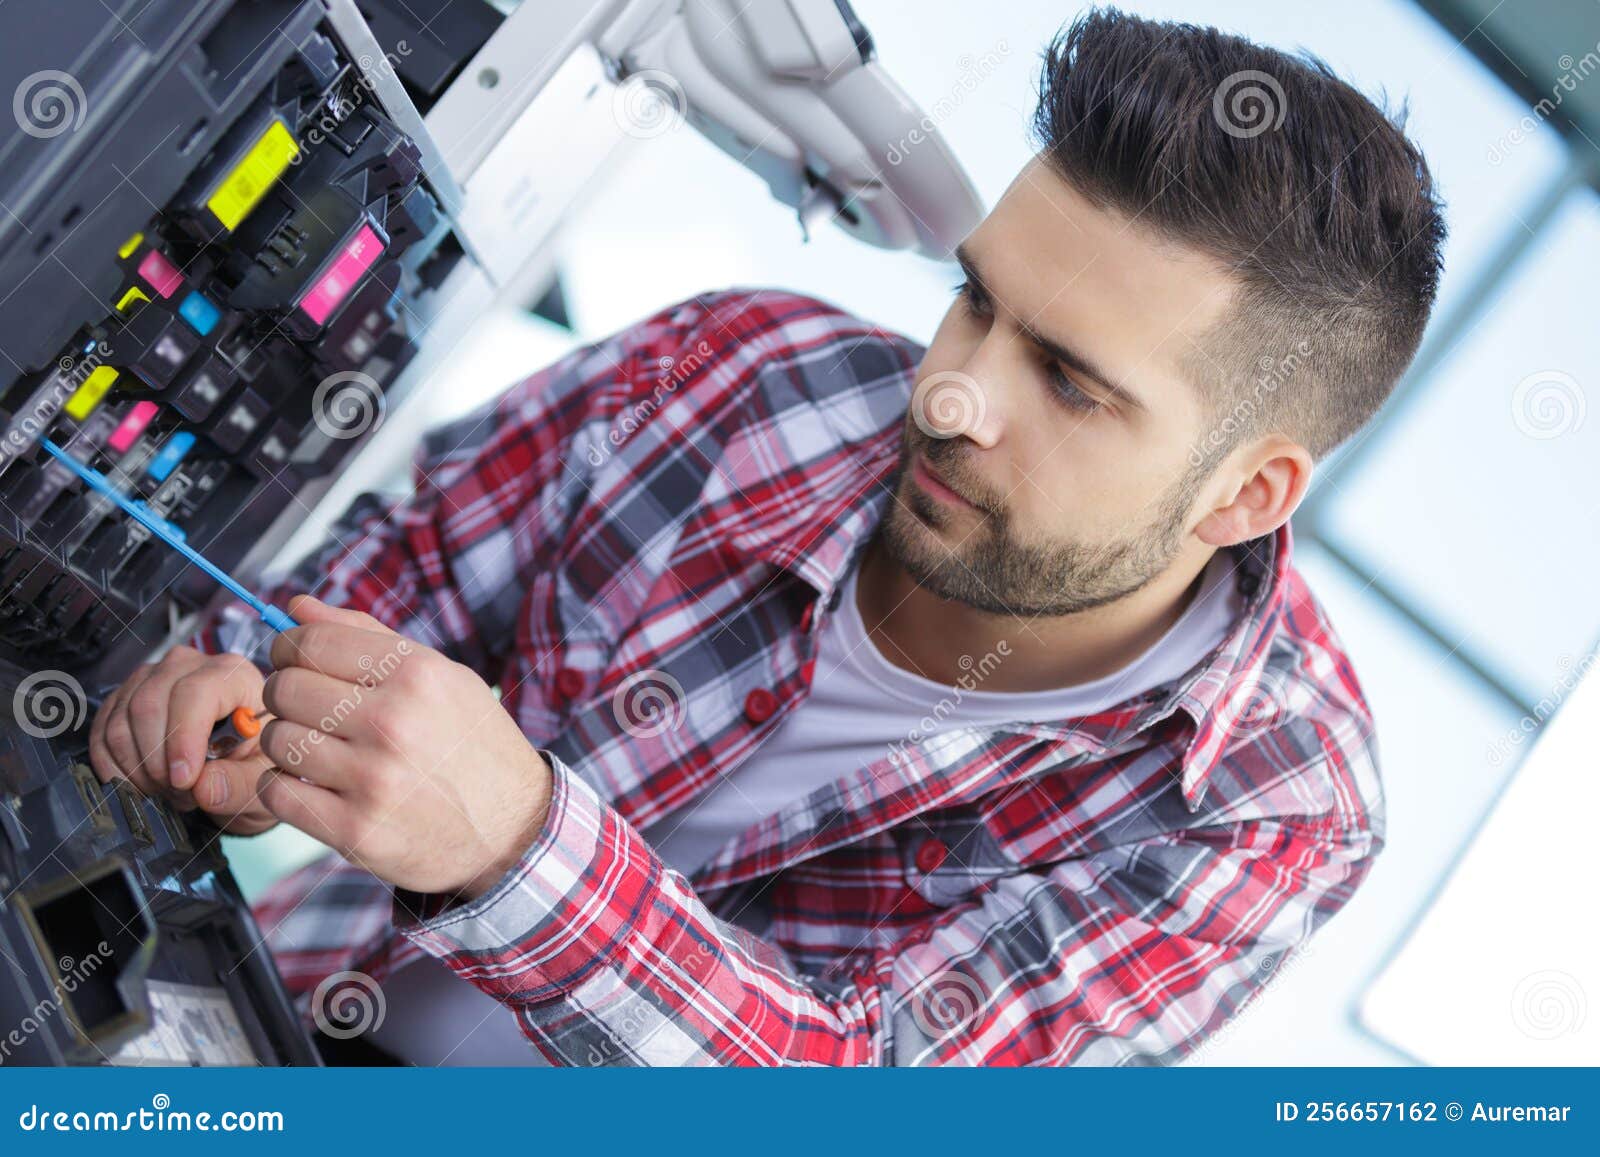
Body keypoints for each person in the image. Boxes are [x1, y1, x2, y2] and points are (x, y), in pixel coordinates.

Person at [87, 9, 1445, 1065]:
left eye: (1073, 383)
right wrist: (234, 679)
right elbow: (404, 570)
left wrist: (517, 845)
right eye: (975, 301)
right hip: (246, 1012)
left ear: (1248, 495)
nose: (956, 394)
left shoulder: (1274, 808)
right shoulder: (741, 373)